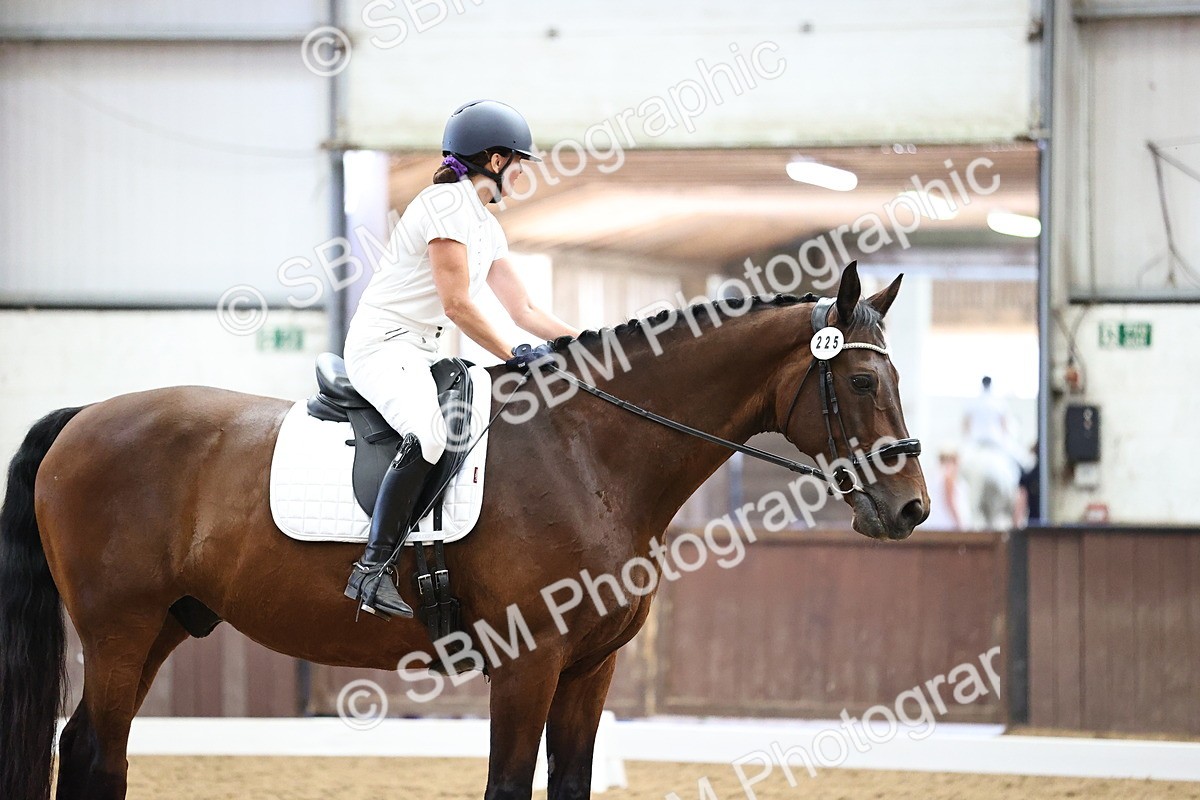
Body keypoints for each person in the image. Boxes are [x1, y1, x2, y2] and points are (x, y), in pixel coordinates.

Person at [342, 99, 579, 619]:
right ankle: (372, 570)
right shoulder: (444, 205)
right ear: (494, 160)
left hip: (419, 352)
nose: (522, 173)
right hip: (382, 345)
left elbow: (525, 308)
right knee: (430, 433)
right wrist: (514, 354)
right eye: (519, 162)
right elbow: (457, 304)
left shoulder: (486, 227)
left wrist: (585, 344)